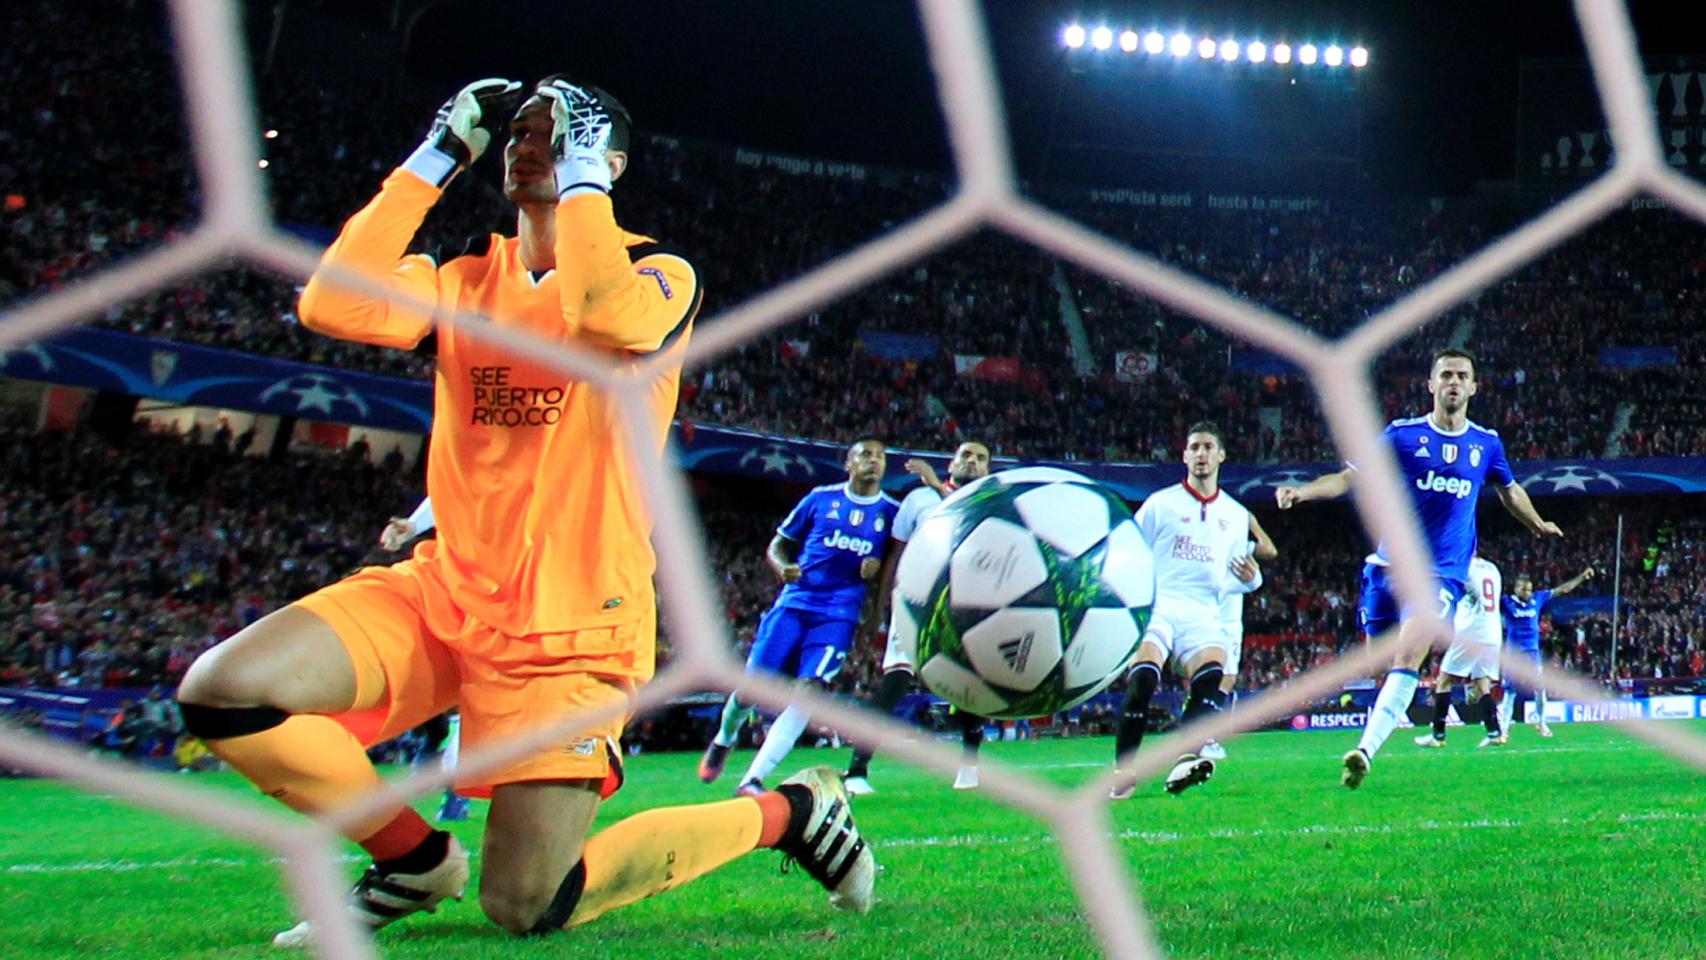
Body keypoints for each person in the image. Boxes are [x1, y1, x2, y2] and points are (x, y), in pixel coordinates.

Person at [176, 76, 874, 947]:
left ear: (608, 161)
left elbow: (601, 310)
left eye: (560, 130)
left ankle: (792, 811)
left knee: (529, 903)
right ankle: (414, 860)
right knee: (228, 694)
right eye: (518, 131)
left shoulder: (662, 273)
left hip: (571, 627)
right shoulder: (467, 277)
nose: (526, 142)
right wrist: (437, 156)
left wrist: (583, 181)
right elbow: (331, 304)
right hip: (446, 592)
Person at [1276, 348, 1563, 789]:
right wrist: (1305, 492)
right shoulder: (1401, 435)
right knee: (1380, 664)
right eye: (1445, 374)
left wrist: (1538, 523)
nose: (1453, 382)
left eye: (1461, 375)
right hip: (1388, 567)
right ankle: (1380, 727)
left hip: (1441, 574)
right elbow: (1350, 478)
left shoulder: (1486, 443)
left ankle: (1363, 751)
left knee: (1410, 655)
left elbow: (1509, 491)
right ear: (1431, 385)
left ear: (1473, 386)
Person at [699, 439, 899, 795]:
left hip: (839, 616)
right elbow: (778, 544)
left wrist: (878, 569)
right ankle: (724, 738)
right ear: (848, 464)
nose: (873, 461)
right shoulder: (820, 499)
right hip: (795, 604)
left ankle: (752, 779)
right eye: (865, 455)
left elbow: (895, 564)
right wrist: (782, 566)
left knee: (810, 691)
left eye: (880, 457)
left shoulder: (891, 512)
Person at [1111, 423, 1267, 799]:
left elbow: (1230, 577)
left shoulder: (1235, 514)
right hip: (1160, 603)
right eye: (1194, 447)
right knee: (1144, 678)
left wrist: (1254, 578)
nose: (1201, 453)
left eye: (1208, 447)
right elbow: (1130, 552)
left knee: (1213, 673)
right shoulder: (1160, 504)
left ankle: (1185, 756)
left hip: (1202, 612)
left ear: (1221, 455)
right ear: (1184, 456)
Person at [840, 442, 993, 796]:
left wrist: (939, 488)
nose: (972, 461)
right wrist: (878, 610)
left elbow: (965, 515)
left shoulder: (993, 498)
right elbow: (895, 553)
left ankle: (969, 764)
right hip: (916, 598)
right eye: (965, 455)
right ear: (951, 463)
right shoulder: (917, 500)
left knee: (970, 683)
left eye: (980, 458)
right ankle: (856, 770)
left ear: (988, 471)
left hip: (969, 601)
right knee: (894, 682)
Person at [1198, 516, 1278, 762]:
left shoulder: (1235, 543)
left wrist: (1251, 525)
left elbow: (1270, 550)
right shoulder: (1202, 546)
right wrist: (1253, 522)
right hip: (1213, 616)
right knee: (1217, 676)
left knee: (1225, 678)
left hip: (1226, 620)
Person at [1414, 555, 1506, 749]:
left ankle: (1438, 735)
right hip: (1493, 632)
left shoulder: (1461, 565)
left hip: (1471, 632)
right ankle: (1494, 732)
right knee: (1482, 684)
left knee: (1444, 680)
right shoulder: (1492, 568)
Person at [1499, 567, 1594, 736]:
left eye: (1529, 589)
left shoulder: (1538, 599)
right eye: (1523, 589)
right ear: (1516, 589)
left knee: (1540, 688)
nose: (1527, 592)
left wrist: (1582, 576)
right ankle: (1504, 729)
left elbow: (1563, 589)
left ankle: (1542, 723)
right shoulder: (1506, 602)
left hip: (1532, 653)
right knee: (1510, 691)